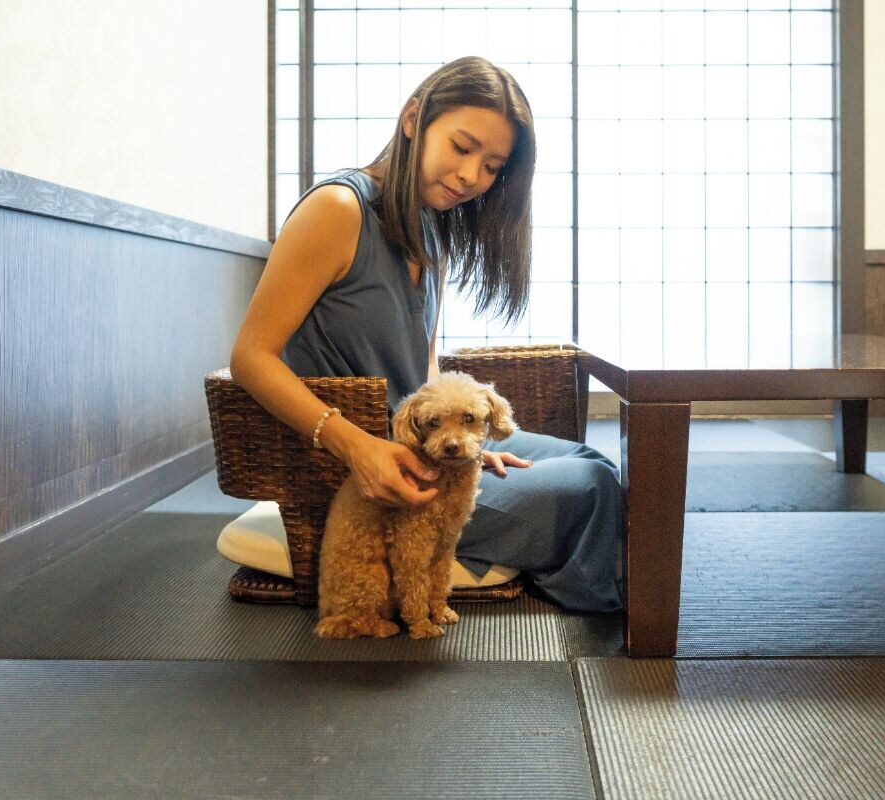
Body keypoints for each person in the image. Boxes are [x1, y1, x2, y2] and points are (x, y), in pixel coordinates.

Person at [230, 56, 622, 613]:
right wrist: (357, 447)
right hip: (369, 467)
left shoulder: (430, 226)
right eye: (461, 147)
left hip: (431, 445)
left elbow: (424, 370)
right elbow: (251, 357)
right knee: (593, 490)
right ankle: (595, 605)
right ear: (414, 118)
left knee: (594, 461)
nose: (471, 176)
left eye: (492, 166)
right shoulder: (338, 209)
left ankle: (536, 561)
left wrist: (468, 445)